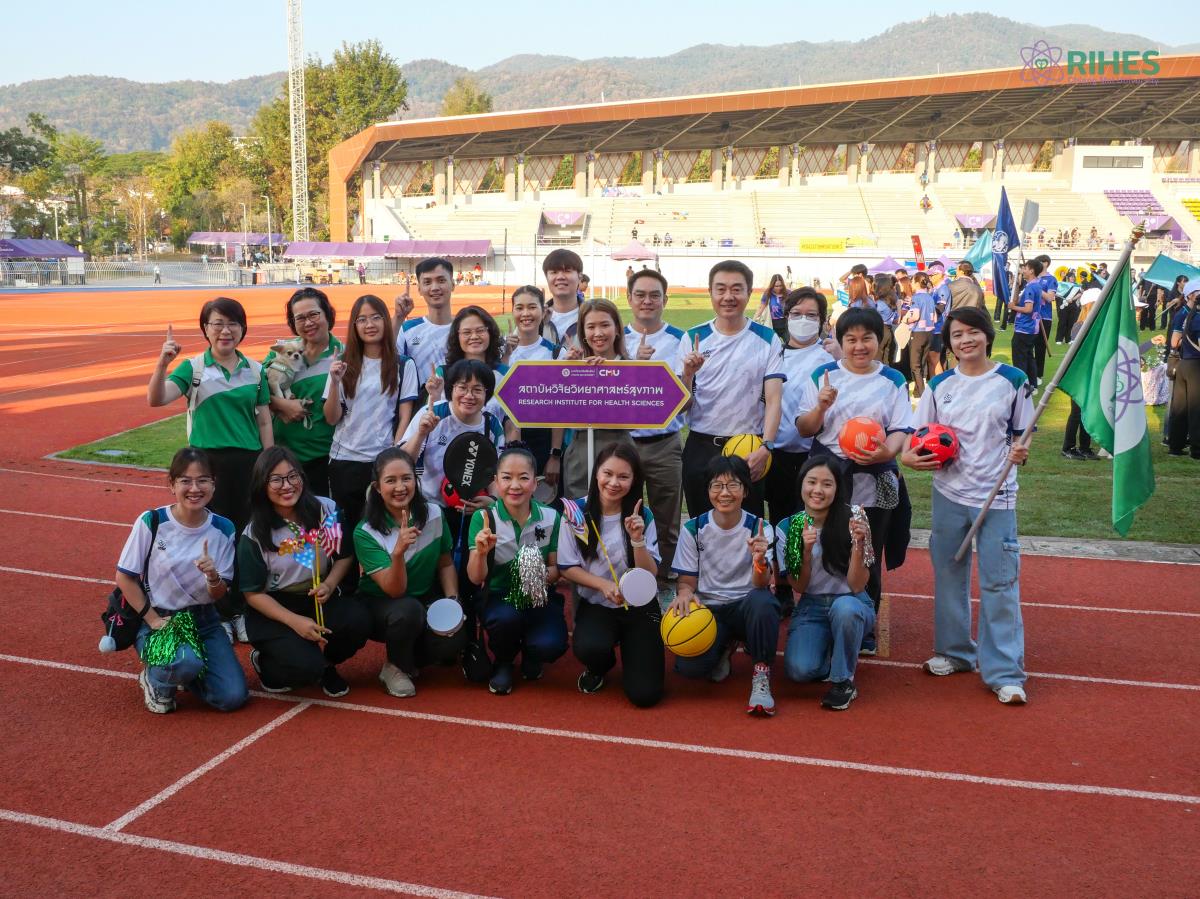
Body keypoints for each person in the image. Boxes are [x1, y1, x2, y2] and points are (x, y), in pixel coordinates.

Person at [901, 306, 1034, 705]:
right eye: (958, 335)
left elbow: (1023, 434)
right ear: (950, 341)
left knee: (999, 582)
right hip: (950, 495)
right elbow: (915, 441)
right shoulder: (939, 385)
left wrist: (1020, 452)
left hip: (997, 497)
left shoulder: (1013, 379)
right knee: (949, 574)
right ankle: (955, 652)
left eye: (974, 332)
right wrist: (909, 458)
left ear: (987, 336)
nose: (966, 341)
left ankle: (1005, 671)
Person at [794, 306, 914, 644]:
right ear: (839, 341)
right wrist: (821, 406)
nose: (859, 346)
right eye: (851, 339)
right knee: (822, 542)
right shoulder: (824, 375)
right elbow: (804, 428)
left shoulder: (892, 379)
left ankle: (864, 621)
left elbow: (901, 427)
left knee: (867, 547)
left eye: (867, 338)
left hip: (873, 476)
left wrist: (886, 452)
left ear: (881, 339)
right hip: (827, 476)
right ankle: (817, 613)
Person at [117, 448, 247, 714]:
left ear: (214, 484)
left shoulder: (224, 529)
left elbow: (218, 595)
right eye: (185, 481)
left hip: (205, 621)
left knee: (232, 697)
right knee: (184, 663)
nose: (194, 488)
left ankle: (189, 668)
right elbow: (125, 577)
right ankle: (155, 679)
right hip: (160, 618)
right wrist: (152, 620)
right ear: (171, 484)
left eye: (203, 480)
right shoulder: (152, 521)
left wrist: (212, 576)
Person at [239, 446, 371, 697]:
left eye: (292, 476)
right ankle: (268, 663)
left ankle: (326, 664)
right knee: (303, 669)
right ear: (262, 485)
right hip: (276, 606)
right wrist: (295, 622)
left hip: (317, 593)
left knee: (358, 622)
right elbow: (252, 594)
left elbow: (344, 556)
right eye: (276, 479)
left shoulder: (326, 510)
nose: (287, 486)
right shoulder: (255, 533)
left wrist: (330, 584)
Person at [147, 296, 272, 534]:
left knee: (246, 530)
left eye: (233, 323)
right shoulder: (193, 368)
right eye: (218, 323)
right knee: (208, 529)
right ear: (206, 328)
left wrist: (268, 463)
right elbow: (156, 399)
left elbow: (264, 421)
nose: (226, 330)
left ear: (242, 328)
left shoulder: (256, 370)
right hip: (205, 465)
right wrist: (162, 363)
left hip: (248, 463)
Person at [669, 455, 780, 716]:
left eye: (733, 485)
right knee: (689, 670)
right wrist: (684, 594)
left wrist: (760, 560)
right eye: (717, 486)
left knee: (763, 601)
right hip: (710, 610)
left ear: (745, 490)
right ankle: (724, 648)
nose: (724, 493)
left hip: (746, 606)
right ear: (708, 491)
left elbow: (762, 583)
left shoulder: (760, 529)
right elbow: (686, 582)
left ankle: (761, 672)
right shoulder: (694, 529)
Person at [323, 294, 419, 592]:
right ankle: (347, 590)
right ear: (354, 326)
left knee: (384, 529)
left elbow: (404, 415)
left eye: (376, 317)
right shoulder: (342, 364)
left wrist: (394, 451)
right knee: (346, 531)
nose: (369, 324)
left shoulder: (403, 365)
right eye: (361, 319)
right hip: (344, 461)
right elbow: (331, 417)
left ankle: (386, 587)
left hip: (381, 465)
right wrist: (335, 381)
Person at [559, 444, 664, 707]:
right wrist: (604, 585)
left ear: (634, 480)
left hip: (640, 606)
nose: (614, 483)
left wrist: (637, 540)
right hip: (598, 603)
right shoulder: (576, 514)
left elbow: (650, 573)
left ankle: (635, 650)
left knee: (645, 695)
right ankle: (600, 665)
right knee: (589, 647)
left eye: (623, 477)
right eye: (608, 474)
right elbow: (566, 566)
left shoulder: (642, 515)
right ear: (596, 474)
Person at [353, 448, 463, 697]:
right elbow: (395, 590)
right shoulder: (366, 532)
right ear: (378, 487)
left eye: (406, 478)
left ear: (416, 480)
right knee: (408, 610)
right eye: (390, 481)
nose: (400, 487)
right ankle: (395, 667)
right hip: (383, 605)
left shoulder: (434, 514)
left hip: (423, 597)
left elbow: (445, 563)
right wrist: (398, 552)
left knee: (454, 639)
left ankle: (410, 656)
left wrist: (453, 601)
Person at [682, 260, 786, 520]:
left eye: (736, 289)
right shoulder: (692, 337)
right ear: (711, 293)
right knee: (701, 528)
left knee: (748, 532)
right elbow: (683, 405)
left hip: (748, 450)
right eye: (721, 289)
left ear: (749, 293)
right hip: (702, 446)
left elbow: (774, 400)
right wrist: (688, 374)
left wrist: (767, 447)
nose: (728, 296)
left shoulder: (767, 339)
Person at [467, 446, 572, 695]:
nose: (515, 485)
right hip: (499, 596)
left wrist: (535, 577)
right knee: (506, 619)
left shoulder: (551, 517)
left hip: (539, 595)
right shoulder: (483, 518)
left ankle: (531, 653)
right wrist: (481, 553)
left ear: (535, 484)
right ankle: (503, 661)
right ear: (495, 483)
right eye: (506, 477)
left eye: (523, 478)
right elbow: (475, 577)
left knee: (552, 645)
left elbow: (558, 569)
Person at [778, 456, 873, 710]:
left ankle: (843, 681)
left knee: (845, 610)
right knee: (799, 671)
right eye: (812, 482)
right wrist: (806, 553)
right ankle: (834, 649)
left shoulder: (855, 517)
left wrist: (858, 544)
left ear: (837, 488)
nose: (818, 490)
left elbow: (857, 586)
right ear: (801, 485)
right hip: (812, 605)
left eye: (827, 484)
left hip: (852, 602)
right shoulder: (790, 527)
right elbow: (798, 587)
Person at [625, 268, 693, 600]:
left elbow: (685, 401)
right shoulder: (616, 337)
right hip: (623, 444)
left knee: (667, 518)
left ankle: (663, 579)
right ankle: (628, 575)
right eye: (641, 294)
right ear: (629, 298)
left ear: (665, 300)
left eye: (655, 295)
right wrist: (632, 363)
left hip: (665, 443)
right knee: (623, 513)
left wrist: (689, 376)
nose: (647, 301)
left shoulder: (680, 339)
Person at [769, 287, 835, 541]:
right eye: (796, 313)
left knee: (813, 525)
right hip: (776, 455)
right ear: (786, 316)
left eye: (811, 315)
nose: (803, 320)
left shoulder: (829, 357)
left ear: (821, 320)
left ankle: (812, 579)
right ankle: (784, 579)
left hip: (815, 455)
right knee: (780, 523)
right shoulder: (774, 354)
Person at [266, 287, 343, 496]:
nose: (308, 323)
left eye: (314, 315)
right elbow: (257, 390)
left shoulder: (344, 355)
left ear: (327, 314)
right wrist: (282, 404)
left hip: (325, 460)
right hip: (284, 460)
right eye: (300, 318)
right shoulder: (283, 352)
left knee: (322, 523)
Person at [561, 299, 637, 498]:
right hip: (580, 452)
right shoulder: (572, 367)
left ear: (617, 329)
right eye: (591, 327)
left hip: (619, 449)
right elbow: (561, 411)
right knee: (579, 518)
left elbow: (634, 419)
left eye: (605, 325)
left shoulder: (632, 367)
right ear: (583, 333)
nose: (598, 333)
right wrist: (570, 372)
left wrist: (608, 376)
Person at [502, 285, 561, 480]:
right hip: (505, 434)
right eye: (519, 308)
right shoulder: (498, 350)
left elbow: (559, 408)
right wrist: (504, 356)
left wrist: (555, 454)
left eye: (532, 307)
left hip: (542, 438)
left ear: (543, 311)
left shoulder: (556, 353)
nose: (525, 313)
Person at [395, 258, 455, 405]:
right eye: (427, 282)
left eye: (441, 280)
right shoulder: (407, 329)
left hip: (459, 412)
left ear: (453, 284)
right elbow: (387, 361)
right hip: (419, 413)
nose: (434, 287)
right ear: (419, 289)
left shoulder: (466, 328)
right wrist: (398, 318)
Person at [1167, 279, 1200, 458]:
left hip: (1186, 363)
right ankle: (1195, 448)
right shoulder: (1186, 314)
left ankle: (1176, 445)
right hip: (1192, 363)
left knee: (1181, 407)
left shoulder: (1187, 313)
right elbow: (1174, 343)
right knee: (1193, 408)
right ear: (1190, 295)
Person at [1008, 259, 1043, 388]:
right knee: (1029, 357)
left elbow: (1028, 309)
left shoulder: (1031, 287)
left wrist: (1013, 307)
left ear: (1032, 270)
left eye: (1025, 268)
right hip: (1030, 328)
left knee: (1020, 359)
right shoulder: (1035, 285)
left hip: (1025, 328)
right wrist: (1017, 285)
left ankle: (1022, 386)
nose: (1023, 270)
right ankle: (1032, 385)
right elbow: (1019, 300)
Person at [904, 273, 939, 397]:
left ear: (917, 283)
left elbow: (916, 316)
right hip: (930, 332)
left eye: (912, 281)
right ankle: (918, 391)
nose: (911, 284)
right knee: (922, 362)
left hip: (918, 333)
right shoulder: (930, 297)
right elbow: (935, 318)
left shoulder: (916, 298)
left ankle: (922, 393)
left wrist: (906, 320)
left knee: (915, 364)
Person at [543, 248, 584, 352]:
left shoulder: (593, 317)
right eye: (554, 272)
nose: (560, 277)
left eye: (567, 271)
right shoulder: (535, 317)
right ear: (546, 277)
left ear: (580, 277)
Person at [871, 273, 901, 365]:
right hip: (889, 330)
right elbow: (897, 320)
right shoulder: (891, 300)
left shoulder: (880, 304)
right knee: (886, 359)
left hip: (881, 330)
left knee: (877, 359)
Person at [755, 274, 789, 342]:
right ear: (772, 285)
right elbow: (761, 307)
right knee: (772, 346)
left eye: (780, 285)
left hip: (786, 324)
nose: (779, 288)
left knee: (789, 344)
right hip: (772, 324)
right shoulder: (768, 294)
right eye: (776, 286)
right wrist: (755, 320)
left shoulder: (788, 293)